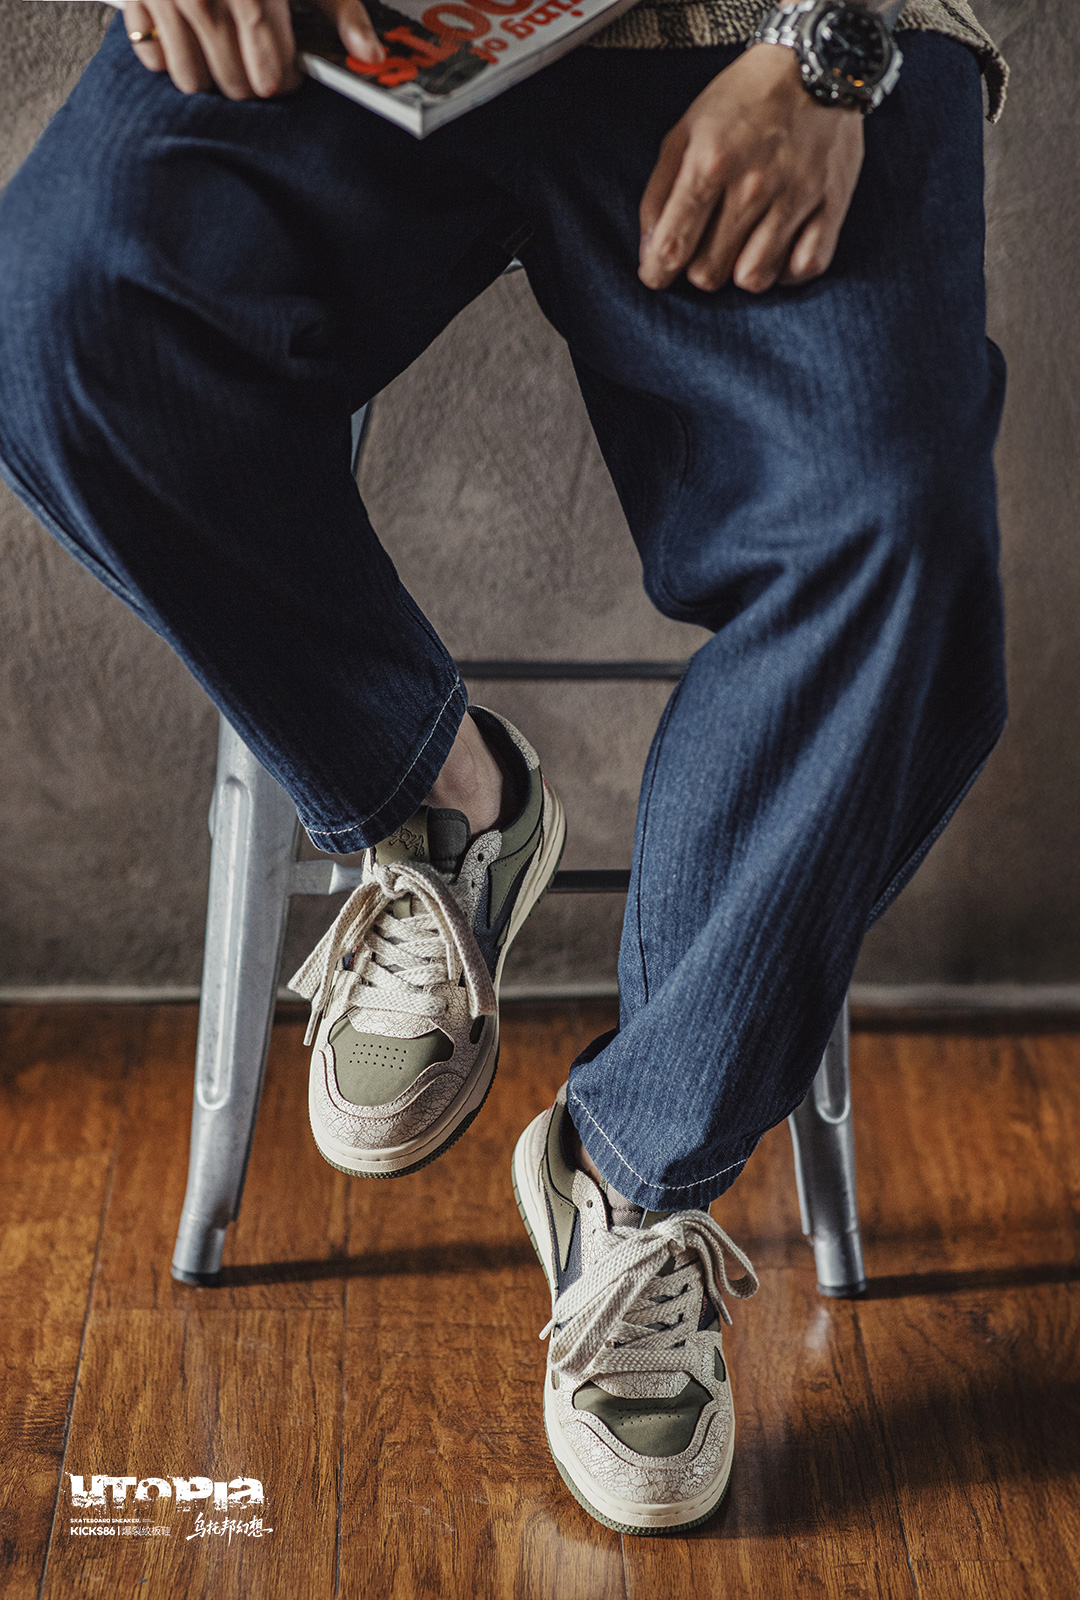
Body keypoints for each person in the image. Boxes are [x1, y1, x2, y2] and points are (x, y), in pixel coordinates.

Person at [0, 0, 1007, 1534]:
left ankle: (634, 1176)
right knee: (60, 317)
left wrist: (832, 50)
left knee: (895, 536)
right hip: (356, 23)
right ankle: (438, 805)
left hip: (757, 31)